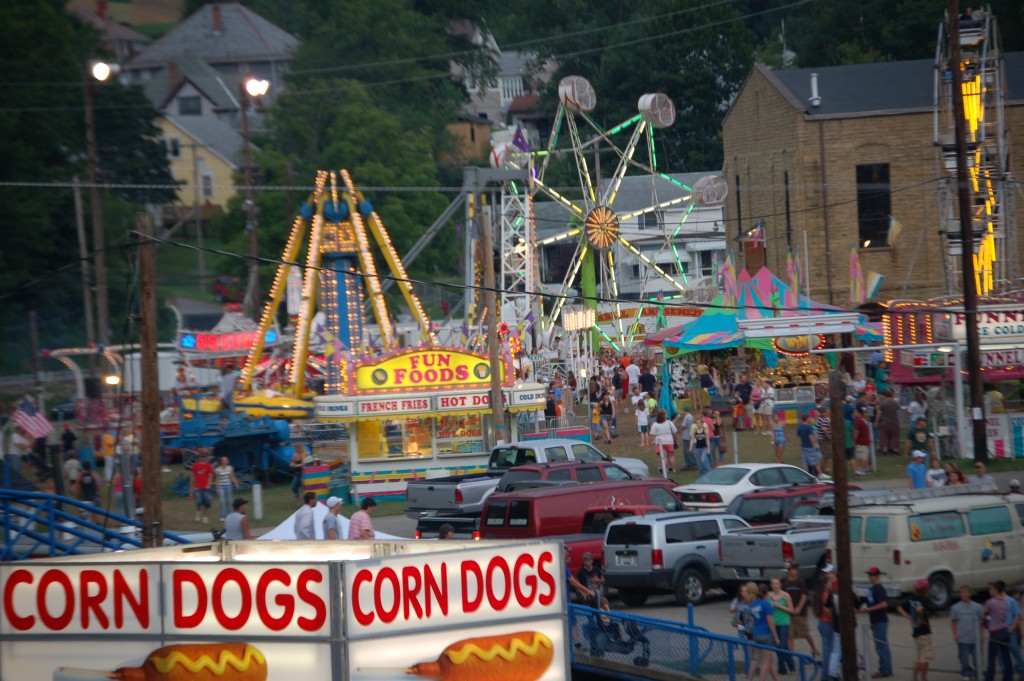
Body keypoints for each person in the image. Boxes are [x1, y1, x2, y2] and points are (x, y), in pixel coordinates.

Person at [898, 581, 934, 681]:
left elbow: (899, 607)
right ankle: (924, 678)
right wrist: (922, 618)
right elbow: (919, 609)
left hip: (916, 631)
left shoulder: (911, 599)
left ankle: (914, 678)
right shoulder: (925, 600)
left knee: (919, 657)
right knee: (925, 659)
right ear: (925, 590)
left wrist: (909, 617)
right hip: (924, 631)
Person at [860, 567, 892, 679]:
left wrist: (869, 610)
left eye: (871, 575)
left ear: (876, 576)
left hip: (881, 620)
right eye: (869, 574)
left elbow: (884, 604)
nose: (869, 577)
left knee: (881, 646)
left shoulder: (879, 589)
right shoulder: (873, 588)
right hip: (876, 620)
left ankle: (885, 670)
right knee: (881, 646)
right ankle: (886, 668)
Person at [744, 581, 780, 681]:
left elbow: (752, 619)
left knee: (760, 660)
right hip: (766, 634)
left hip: (756, 633)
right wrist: (776, 637)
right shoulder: (767, 604)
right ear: (767, 593)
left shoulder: (754, 603)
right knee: (766, 662)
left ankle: (750, 679)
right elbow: (770, 622)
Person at [782, 564, 819, 659]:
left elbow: (804, 595)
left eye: (796, 569)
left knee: (805, 633)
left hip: (800, 614)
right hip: (789, 614)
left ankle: (814, 649)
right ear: (789, 571)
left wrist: (798, 608)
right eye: (793, 569)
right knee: (790, 636)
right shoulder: (785, 584)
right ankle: (792, 655)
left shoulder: (800, 582)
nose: (795, 571)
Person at [951, 584, 983, 681]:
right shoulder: (955, 608)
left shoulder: (977, 607)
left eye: (966, 592)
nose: (964, 595)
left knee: (977, 660)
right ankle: (966, 673)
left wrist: (982, 634)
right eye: (962, 593)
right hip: (963, 638)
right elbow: (953, 621)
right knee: (964, 659)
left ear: (970, 593)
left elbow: (981, 621)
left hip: (975, 638)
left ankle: (978, 673)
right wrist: (955, 634)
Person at [984, 581, 1014, 681]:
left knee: (992, 659)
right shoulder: (1006, 602)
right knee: (1006, 657)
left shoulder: (990, 602)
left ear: (996, 589)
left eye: (991, 589)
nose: (990, 591)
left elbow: (986, 615)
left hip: (995, 632)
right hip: (1004, 630)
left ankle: (989, 678)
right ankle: (1008, 677)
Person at [768, 577, 794, 676]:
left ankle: (787, 666)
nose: (775, 586)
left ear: (780, 585)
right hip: (774, 623)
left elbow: (791, 610)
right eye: (773, 584)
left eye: (777, 584)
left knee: (783, 644)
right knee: (778, 645)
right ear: (771, 585)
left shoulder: (785, 595)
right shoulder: (769, 595)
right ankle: (784, 668)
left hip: (784, 622)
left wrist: (779, 606)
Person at [649, 410, 678, 475]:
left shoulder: (655, 425)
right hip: (669, 441)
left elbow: (652, 435)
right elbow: (674, 432)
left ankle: (665, 469)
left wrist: (652, 442)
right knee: (671, 456)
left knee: (664, 457)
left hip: (660, 443)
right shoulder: (669, 423)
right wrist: (675, 438)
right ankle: (674, 469)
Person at [190, 454, 214, 523]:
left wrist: (208, 485)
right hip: (197, 487)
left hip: (206, 487)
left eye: (204, 457)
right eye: (201, 457)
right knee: (199, 502)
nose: (202, 458)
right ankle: (198, 514)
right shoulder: (195, 465)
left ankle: (205, 517)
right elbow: (192, 476)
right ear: (199, 457)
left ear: (206, 457)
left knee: (206, 503)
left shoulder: (208, 465)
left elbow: (210, 476)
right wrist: (191, 488)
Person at [214, 456, 240, 521]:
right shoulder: (217, 469)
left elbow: (232, 476)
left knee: (229, 500)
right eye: (224, 460)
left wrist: (236, 483)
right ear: (221, 461)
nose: (226, 461)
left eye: (226, 460)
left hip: (228, 485)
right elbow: (217, 479)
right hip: (221, 486)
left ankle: (230, 515)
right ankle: (222, 516)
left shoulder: (230, 468)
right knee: (222, 501)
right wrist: (217, 487)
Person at [876, 390, 901, 457]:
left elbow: (879, 413)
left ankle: (885, 450)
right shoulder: (895, 403)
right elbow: (898, 411)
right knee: (895, 436)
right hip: (894, 422)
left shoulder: (883, 403)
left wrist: (876, 421)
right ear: (892, 395)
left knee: (884, 436)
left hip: (885, 423)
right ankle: (895, 450)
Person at [797, 413, 822, 477]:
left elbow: (798, 435)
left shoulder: (800, 427)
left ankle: (805, 475)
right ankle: (820, 474)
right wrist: (814, 446)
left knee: (805, 462)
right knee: (815, 461)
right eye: (809, 418)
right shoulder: (809, 427)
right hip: (810, 446)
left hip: (803, 446)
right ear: (807, 419)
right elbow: (810, 437)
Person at [814, 398, 832, 475]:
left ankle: (822, 470)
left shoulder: (819, 419)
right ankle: (821, 471)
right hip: (824, 440)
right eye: (827, 412)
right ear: (824, 412)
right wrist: (829, 437)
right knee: (826, 456)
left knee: (825, 456)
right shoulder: (824, 419)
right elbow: (824, 429)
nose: (828, 412)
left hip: (822, 439)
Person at [853, 406, 872, 476]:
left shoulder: (858, 421)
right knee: (865, 456)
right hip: (866, 441)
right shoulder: (864, 420)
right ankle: (865, 468)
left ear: (859, 413)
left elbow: (856, 432)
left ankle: (864, 470)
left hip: (861, 441)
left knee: (863, 457)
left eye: (855, 412)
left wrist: (854, 440)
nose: (854, 413)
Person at [680, 405, 695, 470]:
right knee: (689, 450)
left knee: (687, 451)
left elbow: (683, 426)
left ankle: (692, 464)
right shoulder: (691, 416)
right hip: (691, 435)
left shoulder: (686, 417)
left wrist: (681, 427)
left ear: (684, 410)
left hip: (686, 435)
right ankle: (689, 464)